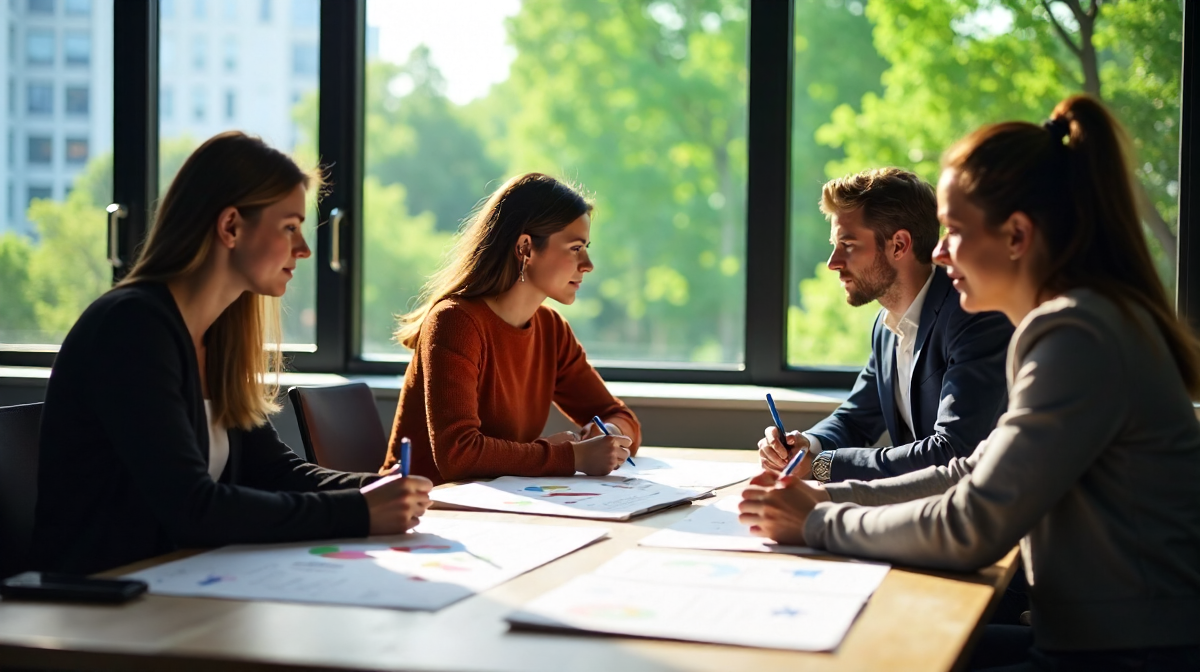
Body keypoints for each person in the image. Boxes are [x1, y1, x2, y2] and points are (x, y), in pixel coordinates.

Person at [740, 95, 1200, 671]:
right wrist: (825, 495)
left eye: (953, 231)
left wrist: (817, 520)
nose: (937, 251)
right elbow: (969, 472)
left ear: (1016, 236)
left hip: (1132, 657)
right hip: (1086, 641)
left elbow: (974, 522)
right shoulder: (1080, 321)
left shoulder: (1077, 335)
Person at [33, 132, 432, 576]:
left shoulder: (219, 335)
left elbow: (276, 473)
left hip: (179, 583)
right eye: (289, 227)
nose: (304, 249)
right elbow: (193, 506)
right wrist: (360, 512)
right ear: (230, 227)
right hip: (102, 600)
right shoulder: (131, 328)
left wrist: (380, 489)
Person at [382, 172, 641, 485]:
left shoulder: (551, 328)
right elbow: (458, 455)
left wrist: (608, 434)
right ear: (525, 248)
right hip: (425, 509)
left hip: (502, 506)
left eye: (586, 247)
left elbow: (621, 416)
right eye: (575, 248)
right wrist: (573, 456)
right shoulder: (454, 322)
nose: (588, 264)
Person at [759, 168, 1013, 483]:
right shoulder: (885, 326)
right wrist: (804, 445)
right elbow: (855, 420)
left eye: (848, 244)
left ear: (898, 245)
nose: (833, 262)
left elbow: (953, 451)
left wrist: (822, 465)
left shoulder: (972, 316)